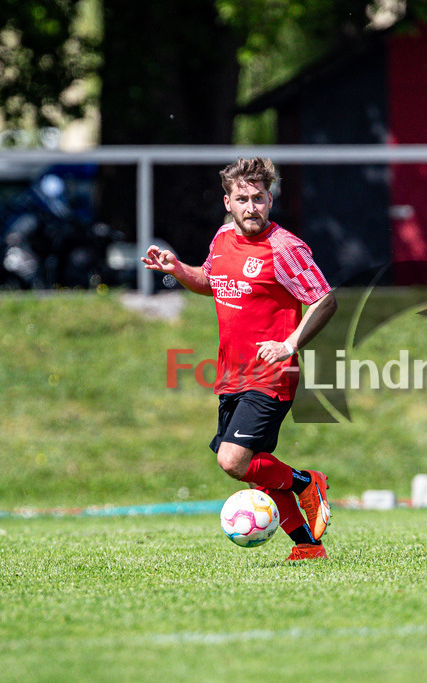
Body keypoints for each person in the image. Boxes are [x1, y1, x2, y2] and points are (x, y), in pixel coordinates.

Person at [142, 157, 338, 562]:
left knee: (232, 460)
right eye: (243, 199)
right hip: (231, 374)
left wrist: (289, 344)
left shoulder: (284, 248)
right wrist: (178, 270)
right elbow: (211, 282)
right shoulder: (221, 238)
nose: (252, 207)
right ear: (227, 202)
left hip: (271, 375)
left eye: (259, 198)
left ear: (270, 200)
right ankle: (307, 545)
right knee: (256, 469)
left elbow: (324, 300)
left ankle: (307, 482)